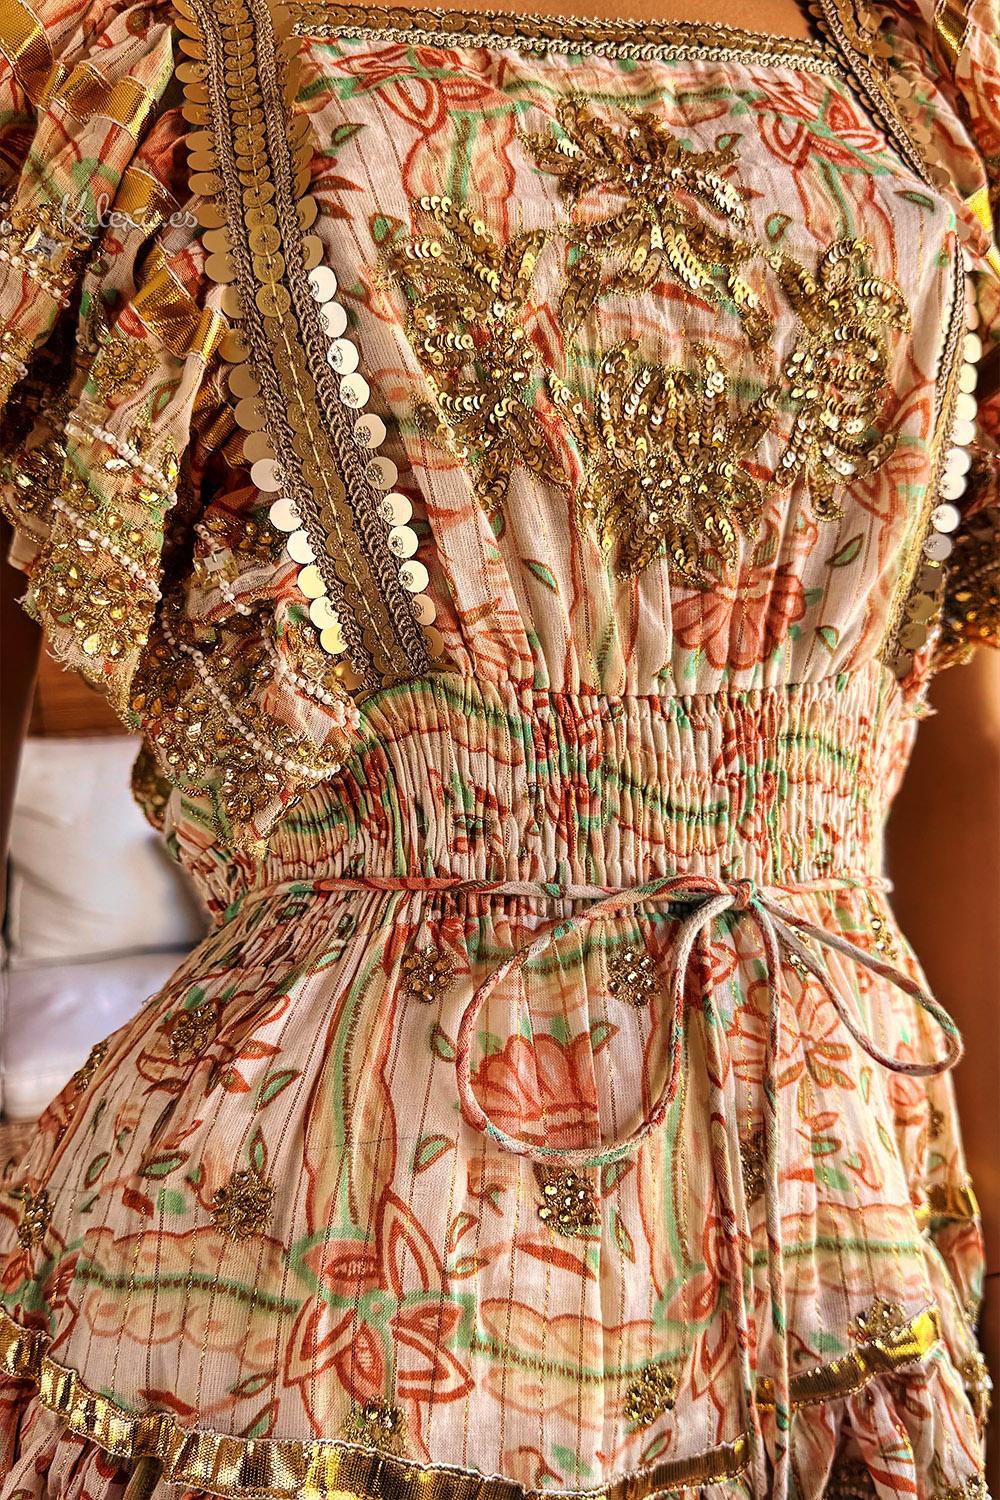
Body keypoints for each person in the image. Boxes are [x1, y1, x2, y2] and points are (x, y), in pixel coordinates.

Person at [0, 0, 997, 1495]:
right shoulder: (150, 63)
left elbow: (966, 754)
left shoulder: (929, 61)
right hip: (322, 1258)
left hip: (831, 1217)